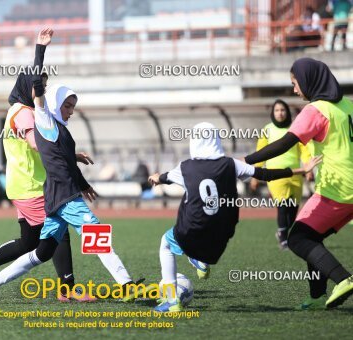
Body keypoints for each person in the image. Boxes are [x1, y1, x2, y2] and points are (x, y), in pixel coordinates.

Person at [0, 29, 144, 305]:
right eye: (67, 105)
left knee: (40, 252)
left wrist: (84, 183)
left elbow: (63, 160)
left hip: (55, 195)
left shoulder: (59, 129)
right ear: (53, 103)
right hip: (62, 197)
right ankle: (125, 285)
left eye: (73, 105)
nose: (71, 110)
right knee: (96, 235)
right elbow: (37, 88)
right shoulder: (43, 120)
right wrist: (40, 49)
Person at [0, 28, 93, 302]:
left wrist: (71, 156)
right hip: (31, 186)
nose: (43, 91)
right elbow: (38, 144)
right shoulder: (23, 114)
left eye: (45, 88)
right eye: (40, 88)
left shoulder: (19, 110)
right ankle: (67, 289)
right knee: (59, 231)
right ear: (28, 88)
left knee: (30, 242)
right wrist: (68, 155)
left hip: (24, 184)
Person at [149, 122, 322, 312]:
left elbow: (163, 178)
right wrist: (301, 170)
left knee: (166, 243)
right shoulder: (231, 164)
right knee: (202, 228)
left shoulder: (185, 167)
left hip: (191, 229)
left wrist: (157, 177)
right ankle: (199, 258)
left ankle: (172, 300)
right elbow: (266, 174)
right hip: (223, 233)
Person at [244, 57, 353, 310]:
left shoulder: (316, 110)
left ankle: (343, 279)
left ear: (309, 81)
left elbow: (285, 142)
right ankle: (317, 296)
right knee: (310, 238)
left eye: (295, 83)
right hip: (346, 189)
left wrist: (246, 162)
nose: (295, 89)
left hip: (337, 191)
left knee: (297, 239)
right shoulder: (347, 106)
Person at [250, 99, 312, 249]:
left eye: (282, 110)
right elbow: (260, 153)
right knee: (283, 205)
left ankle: (283, 232)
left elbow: (304, 150)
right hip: (275, 175)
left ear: (287, 112)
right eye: (277, 110)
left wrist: (307, 167)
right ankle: (283, 238)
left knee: (293, 209)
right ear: (273, 112)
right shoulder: (267, 130)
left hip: (296, 173)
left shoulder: (295, 129)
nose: (280, 113)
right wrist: (254, 174)